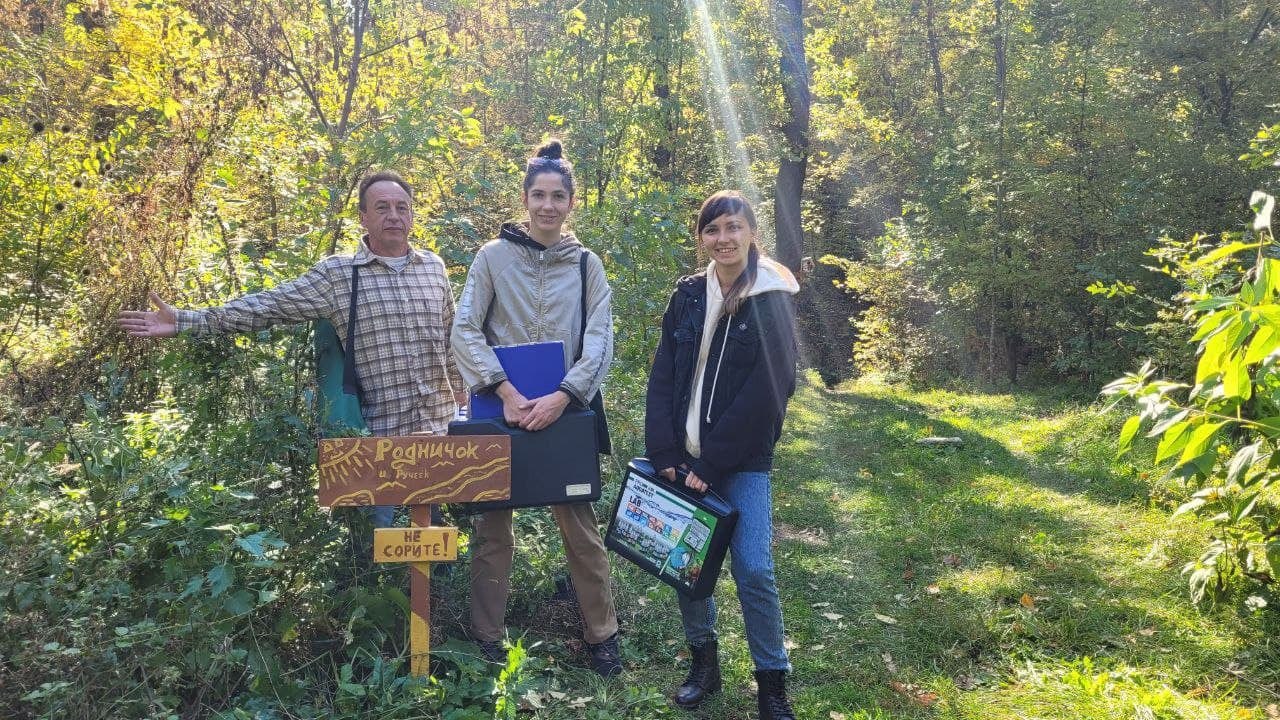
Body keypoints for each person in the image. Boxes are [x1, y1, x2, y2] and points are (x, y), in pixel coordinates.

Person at [118, 171, 468, 527]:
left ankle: (433, 582)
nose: (393, 215)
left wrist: (461, 388)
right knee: (375, 554)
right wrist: (186, 321)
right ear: (363, 216)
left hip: (435, 433)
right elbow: (268, 306)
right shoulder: (338, 275)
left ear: (411, 215)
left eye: (401, 207)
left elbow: (450, 334)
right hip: (374, 439)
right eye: (382, 207)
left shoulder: (433, 268)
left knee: (434, 549)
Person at [450, 139, 622, 677]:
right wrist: (502, 390)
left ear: (573, 202)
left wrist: (565, 395)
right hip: (502, 413)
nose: (548, 205)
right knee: (492, 528)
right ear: (524, 198)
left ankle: (603, 635)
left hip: (564, 413)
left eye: (558, 196)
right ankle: (486, 636)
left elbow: (599, 337)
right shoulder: (492, 258)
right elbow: (464, 327)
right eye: (538, 195)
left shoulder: (587, 264)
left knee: (580, 526)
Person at [644, 191, 800, 719]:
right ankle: (704, 664)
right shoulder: (688, 294)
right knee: (689, 566)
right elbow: (664, 373)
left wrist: (712, 465)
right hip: (682, 459)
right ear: (701, 238)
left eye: (734, 228)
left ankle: (772, 682)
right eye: (713, 230)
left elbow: (769, 391)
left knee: (753, 567)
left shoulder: (771, 296)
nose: (724, 239)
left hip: (742, 462)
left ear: (752, 232)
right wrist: (664, 450)